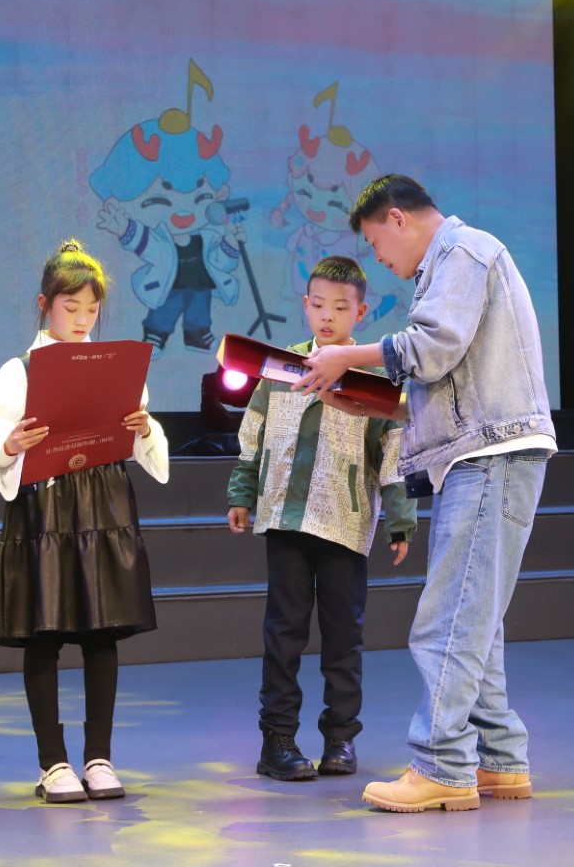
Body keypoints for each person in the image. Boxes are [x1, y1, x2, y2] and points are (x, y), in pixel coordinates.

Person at [296, 174, 557, 813]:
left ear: (397, 218)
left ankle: (442, 764)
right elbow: (444, 382)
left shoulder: (462, 252)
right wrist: (371, 402)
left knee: (448, 621)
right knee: (476, 621)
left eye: (374, 242)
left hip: (490, 456)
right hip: (486, 453)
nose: (379, 257)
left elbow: (434, 348)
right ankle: (500, 760)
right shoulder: (454, 261)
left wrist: (349, 358)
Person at [0, 239, 168, 803]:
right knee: (46, 633)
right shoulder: (18, 371)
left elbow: (140, 433)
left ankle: (99, 758)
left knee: (102, 632)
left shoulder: (115, 365)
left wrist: (143, 427)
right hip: (45, 507)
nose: (82, 319)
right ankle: (52, 763)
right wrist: (10, 443)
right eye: (70, 307)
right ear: (45, 305)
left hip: (103, 504)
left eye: (91, 309)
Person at [225, 255, 416, 783]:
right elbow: (253, 434)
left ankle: (340, 739)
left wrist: (400, 518)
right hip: (285, 519)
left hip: (344, 522)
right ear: (306, 306)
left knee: (343, 635)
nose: (327, 316)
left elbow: (393, 453)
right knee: (283, 633)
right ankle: (278, 740)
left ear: (361, 311)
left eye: (340, 307)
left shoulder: (375, 376)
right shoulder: (280, 367)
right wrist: (242, 491)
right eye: (318, 305)